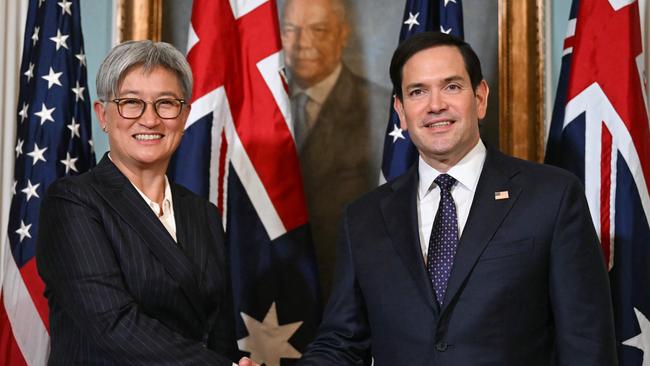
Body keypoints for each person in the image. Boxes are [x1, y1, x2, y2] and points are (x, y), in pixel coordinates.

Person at [289, 32, 616, 364]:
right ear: (400, 111)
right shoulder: (363, 218)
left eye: (451, 87)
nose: (435, 105)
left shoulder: (552, 196)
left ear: (480, 97)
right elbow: (342, 344)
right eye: (418, 92)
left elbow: (586, 343)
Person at [36, 40, 253, 365]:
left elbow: (217, 327)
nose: (150, 119)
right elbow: (114, 324)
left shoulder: (202, 212)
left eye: (166, 103)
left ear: (184, 116)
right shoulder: (72, 203)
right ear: (103, 115)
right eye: (131, 103)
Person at [281, 0, 390, 297]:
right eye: (291, 30)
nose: (302, 43)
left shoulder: (381, 110)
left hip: (351, 287)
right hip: (272, 291)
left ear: (343, 34)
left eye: (318, 30)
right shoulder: (259, 106)